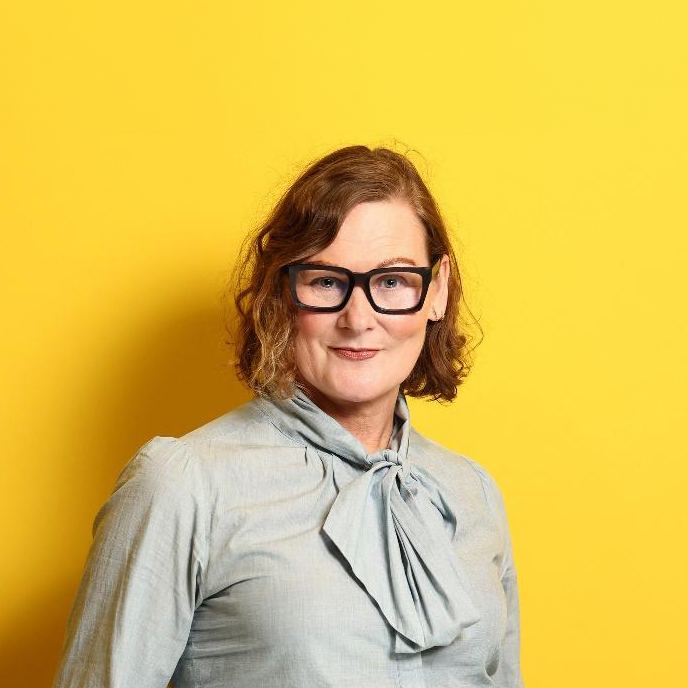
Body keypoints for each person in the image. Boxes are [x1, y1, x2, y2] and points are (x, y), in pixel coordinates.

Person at [51, 145, 525, 688]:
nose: (359, 318)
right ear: (283, 293)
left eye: (392, 281)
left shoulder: (472, 493)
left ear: (435, 291)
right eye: (325, 281)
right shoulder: (185, 485)